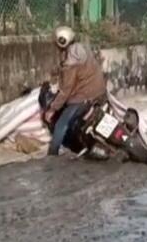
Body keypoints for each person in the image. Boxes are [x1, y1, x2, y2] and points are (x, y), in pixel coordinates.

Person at [44, 26, 108, 156]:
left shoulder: (70, 64)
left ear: (61, 42)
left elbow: (66, 90)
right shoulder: (82, 49)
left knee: (61, 124)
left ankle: (52, 155)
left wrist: (52, 109)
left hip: (83, 98)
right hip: (100, 92)